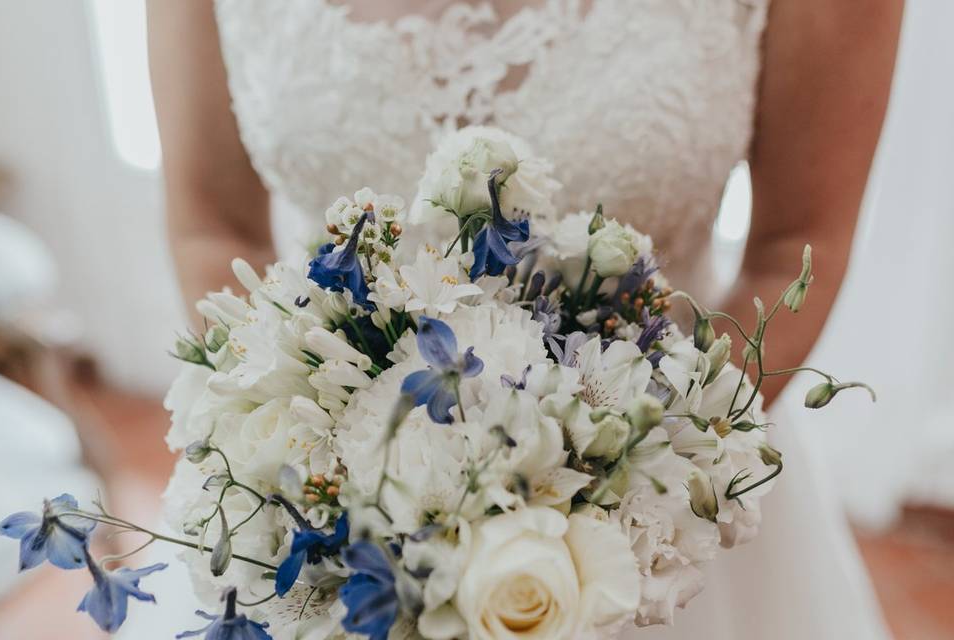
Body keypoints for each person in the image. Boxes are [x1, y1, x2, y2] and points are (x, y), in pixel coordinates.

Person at [148, 1, 903, 637]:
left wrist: (605, 508)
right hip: (341, 543)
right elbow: (212, 230)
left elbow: (794, 249)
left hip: (658, 508)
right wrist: (331, 490)